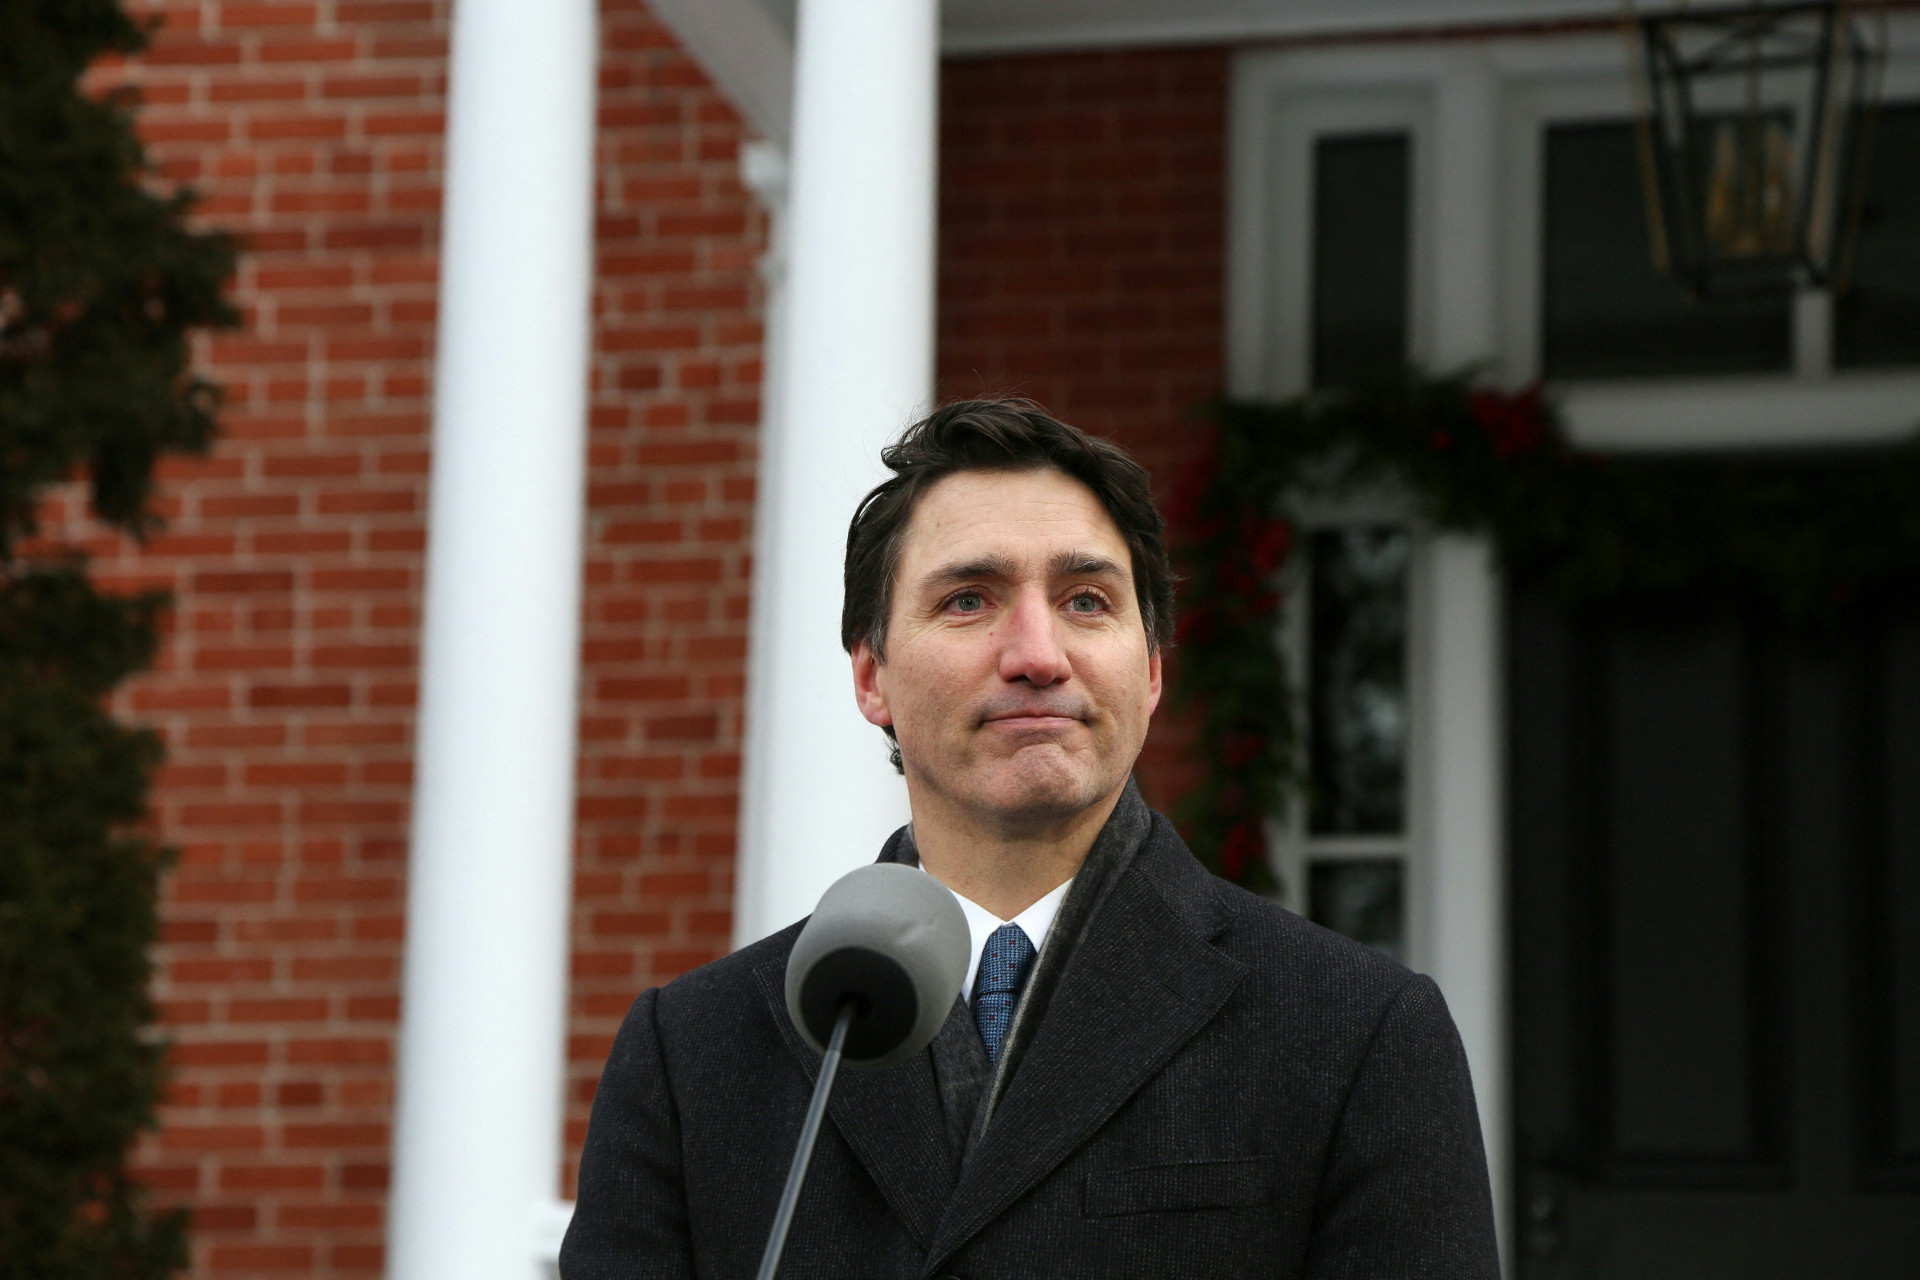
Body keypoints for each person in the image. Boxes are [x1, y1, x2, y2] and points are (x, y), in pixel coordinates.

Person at [560, 399, 1500, 1279]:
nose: (1039, 656)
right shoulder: (693, 1055)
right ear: (871, 676)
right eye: (969, 599)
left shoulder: (1357, 1033)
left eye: (1087, 600)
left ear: (1152, 670)